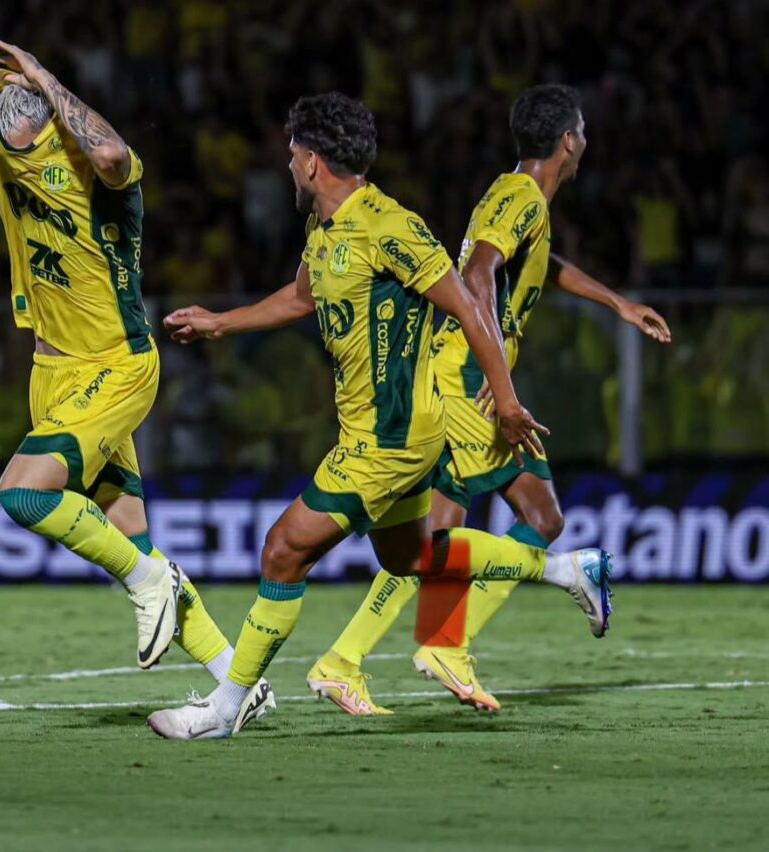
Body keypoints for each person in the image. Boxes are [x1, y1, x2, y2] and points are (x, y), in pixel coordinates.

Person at [148, 92, 612, 740]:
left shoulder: (389, 225)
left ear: (313, 161)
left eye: (292, 155)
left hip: (391, 437)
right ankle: (566, 569)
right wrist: (222, 322)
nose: (288, 166)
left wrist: (506, 401)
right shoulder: (325, 229)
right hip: (377, 429)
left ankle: (226, 709)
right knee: (410, 557)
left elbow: (469, 304)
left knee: (283, 550)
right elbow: (302, 296)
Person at [0, 35, 273, 730]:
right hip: (52, 372)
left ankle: (151, 583)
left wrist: (42, 72)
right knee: (130, 537)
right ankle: (236, 682)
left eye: (13, 90)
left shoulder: (99, 171)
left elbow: (112, 154)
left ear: (43, 102)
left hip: (116, 365)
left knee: (22, 494)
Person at [308, 84, 671, 716]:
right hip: (467, 378)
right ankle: (447, 642)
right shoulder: (523, 196)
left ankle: (346, 660)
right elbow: (478, 270)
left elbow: (540, 263)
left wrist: (617, 302)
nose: (585, 141)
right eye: (583, 131)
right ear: (569, 141)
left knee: (437, 535)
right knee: (542, 518)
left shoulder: (518, 196)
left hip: (454, 372)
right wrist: (498, 377)